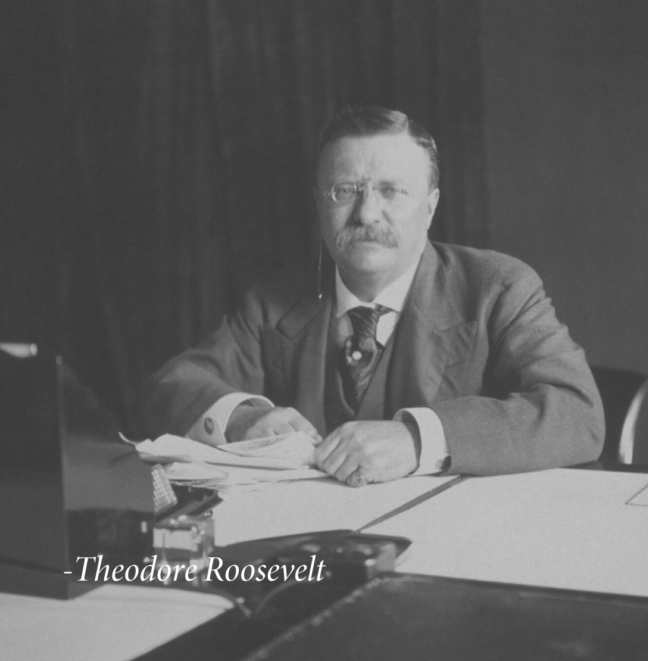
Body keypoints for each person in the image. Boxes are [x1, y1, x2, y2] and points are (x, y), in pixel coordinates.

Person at [135, 106, 604, 486]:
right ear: (319, 203)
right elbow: (170, 387)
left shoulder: (497, 288)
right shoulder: (273, 302)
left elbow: (576, 413)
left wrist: (417, 440)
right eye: (345, 191)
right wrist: (240, 420)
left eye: (392, 191)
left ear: (431, 205)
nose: (366, 212)